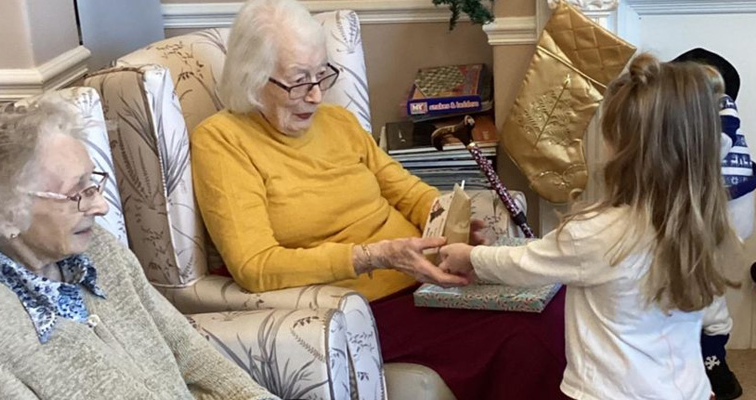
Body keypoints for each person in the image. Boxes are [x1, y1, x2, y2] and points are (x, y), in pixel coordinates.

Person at [190, 1, 566, 399]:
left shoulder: (339, 123)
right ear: (253, 78)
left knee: (556, 304)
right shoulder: (223, 141)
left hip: (425, 280)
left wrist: (449, 221)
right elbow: (255, 266)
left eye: (323, 74)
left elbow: (404, 190)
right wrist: (375, 255)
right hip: (359, 309)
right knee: (525, 335)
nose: (317, 96)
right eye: (300, 81)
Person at [439, 53, 740, 400]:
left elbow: (523, 264)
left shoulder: (595, 231)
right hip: (690, 391)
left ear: (624, 149)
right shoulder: (701, 222)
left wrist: (470, 256)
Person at [0, 97, 277, 400]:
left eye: (93, 183)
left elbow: (191, 354)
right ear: (5, 212)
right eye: (76, 193)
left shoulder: (99, 251)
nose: (100, 205)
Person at [673, 48, 756, 400]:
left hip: (721, 223)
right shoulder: (679, 129)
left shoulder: (724, 127)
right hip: (688, 223)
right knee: (688, 295)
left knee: (709, 294)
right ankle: (696, 358)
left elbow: (719, 149)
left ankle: (711, 360)